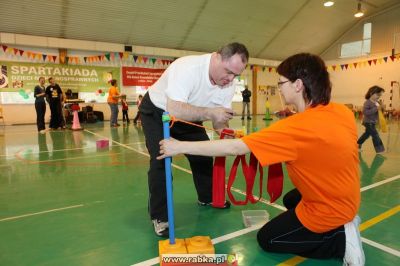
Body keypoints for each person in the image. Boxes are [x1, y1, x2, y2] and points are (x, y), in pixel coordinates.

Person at [158, 53, 364, 265]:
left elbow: (235, 148)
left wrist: (179, 146)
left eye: (281, 82)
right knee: (291, 200)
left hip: (331, 208)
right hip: (348, 197)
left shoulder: (295, 127)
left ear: (298, 85)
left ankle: (340, 240)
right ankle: (342, 223)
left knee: (268, 239)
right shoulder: (342, 112)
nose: (279, 88)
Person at [139, 42, 249, 237]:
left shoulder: (228, 84)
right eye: (228, 71)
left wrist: (230, 136)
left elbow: (218, 124)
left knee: (203, 156)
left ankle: (207, 198)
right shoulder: (188, 68)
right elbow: (175, 109)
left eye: (236, 75)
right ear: (216, 57)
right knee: (161, 160)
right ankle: (160, 216)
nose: (230, 79)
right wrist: (210, 112)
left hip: (190, 116)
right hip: (158, 112)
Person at [357, 86, 385, 153]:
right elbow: (365, 112)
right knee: (375, 135)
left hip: (373, 122)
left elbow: (379, 112)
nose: (379, 97)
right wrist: (377, 108)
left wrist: (382, 108)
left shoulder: (377, 102)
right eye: (377, 95)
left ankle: (357, 144)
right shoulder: (367, 102)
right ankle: (380, 150)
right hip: (368, 122)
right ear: (371, 93)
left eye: (380, 95)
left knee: (366, 135)